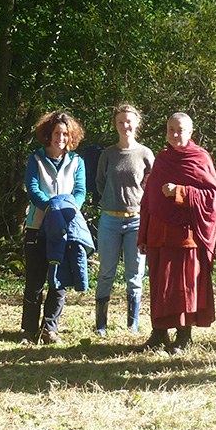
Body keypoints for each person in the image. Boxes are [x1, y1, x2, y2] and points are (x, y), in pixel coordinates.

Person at [137, 113, 216, 355]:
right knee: (159, 286)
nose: (175, 134)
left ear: (190, 132)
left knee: (184, 288)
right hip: (158, 235)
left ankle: (183, 336)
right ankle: (159, 333)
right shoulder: (162, 159)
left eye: (180, 130)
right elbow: (149, 200)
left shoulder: (200, 158)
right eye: (171, 129)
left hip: (185, 237)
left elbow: (212, 198)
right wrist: (143, 235)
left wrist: (181, 192)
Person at [22, 112, 86, 345]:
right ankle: (28, 331)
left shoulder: (77, 161)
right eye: (57, 133)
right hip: (37, 226)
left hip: (65, 229)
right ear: (48, 134)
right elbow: (32, 188)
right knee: (35, 280)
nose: (61, 138)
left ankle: (50, 329)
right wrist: (52, 209)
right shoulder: (35, 158)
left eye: (65, 133)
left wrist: (65, 211)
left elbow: (80, 192)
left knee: (59, 280)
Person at [94, 104, 154, 336]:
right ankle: (100, 324)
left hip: (137, 221)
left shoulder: (146, 154)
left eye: (129, 121)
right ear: (115, 125)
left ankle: (133, 324)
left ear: (136, 123)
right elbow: (99, 182)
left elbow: (152, 187)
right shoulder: (108, 154)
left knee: (135, 275)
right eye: (120, 122)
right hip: (109, 220)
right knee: (106, 273)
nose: (125, 126)